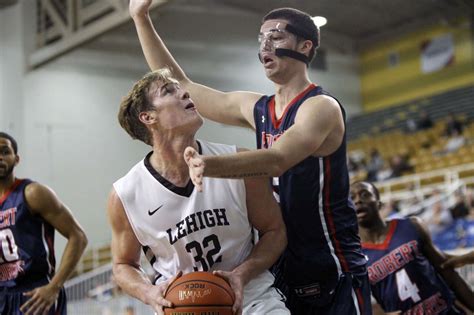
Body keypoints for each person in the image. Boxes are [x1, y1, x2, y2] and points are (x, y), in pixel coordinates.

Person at [129, 1, 370, 314]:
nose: (266, 45)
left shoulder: (321, 106)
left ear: (305, 46)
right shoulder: (259, 108)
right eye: (261, 38)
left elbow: (277, 159)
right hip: (281, 258)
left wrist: (209, 165)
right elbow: (184, 86)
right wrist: (141, 17)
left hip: (329, 257)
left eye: (277, 37)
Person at [107, 69, 289, 315]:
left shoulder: (240, 163)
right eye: (168, 91)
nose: (184, 92)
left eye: (179, 87)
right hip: (180, 305)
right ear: (148, 117)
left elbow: (274, 231)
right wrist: (148, 293)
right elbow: (123, 265)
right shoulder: (125, 194)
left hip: (251, 299)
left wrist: (241, 275)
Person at [350, 181, 474, 314]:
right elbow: (353, 306)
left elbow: (448, 272)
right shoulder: (353, 256)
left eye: (365, 194)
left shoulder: (412, 226)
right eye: (352, 197)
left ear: (379, 203)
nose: (358, 200)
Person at [0, 132, 88, 315]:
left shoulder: (32, 193)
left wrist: (54, 286)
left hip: (35, 294)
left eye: (4, 151)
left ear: (16, 159)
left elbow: (78, 236)